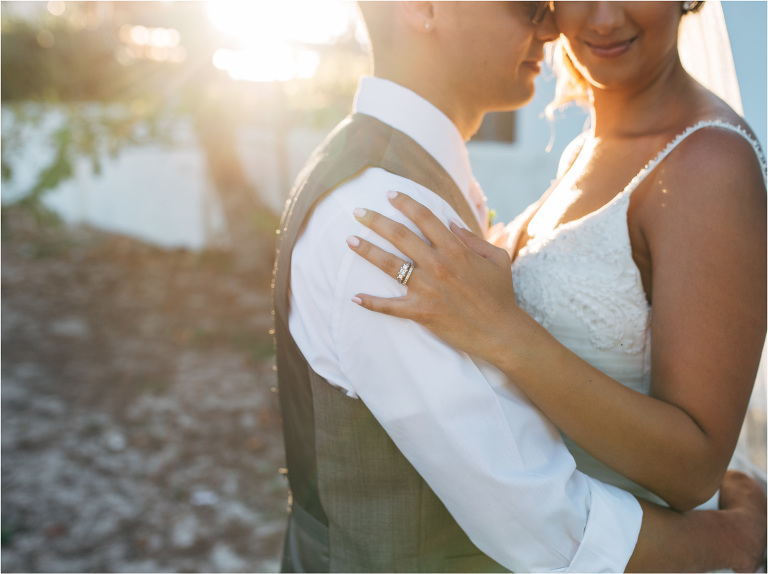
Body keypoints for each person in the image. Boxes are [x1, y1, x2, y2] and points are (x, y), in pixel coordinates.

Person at [274, 2, 766, 572]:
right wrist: (726, 540)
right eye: (531, 1)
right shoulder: (383, 215)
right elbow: (537, 517)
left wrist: (506, 332)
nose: (559, 23)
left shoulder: (707, 163)